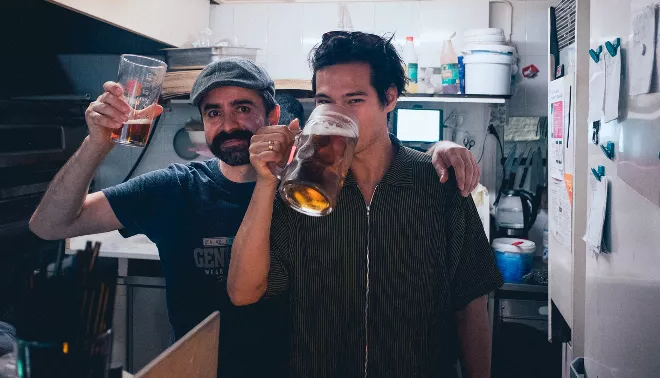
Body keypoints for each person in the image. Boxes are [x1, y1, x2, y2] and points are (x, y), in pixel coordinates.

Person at [28, 57, 479, 377]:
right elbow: (51, 225)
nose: (229, 125)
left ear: (274, 115)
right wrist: (97, 144)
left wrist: (437, 152)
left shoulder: (313, 183)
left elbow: (368, 146)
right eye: (213, 113)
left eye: (243, 108)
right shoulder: (173, 189)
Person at [228, 33, 503, 378]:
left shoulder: (438, 183)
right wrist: (267, 182)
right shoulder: (302, 189)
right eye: (326, 101)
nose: (336, 115)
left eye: (353, 100)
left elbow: (470, 302)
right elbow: (242, 293)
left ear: (389, 98)